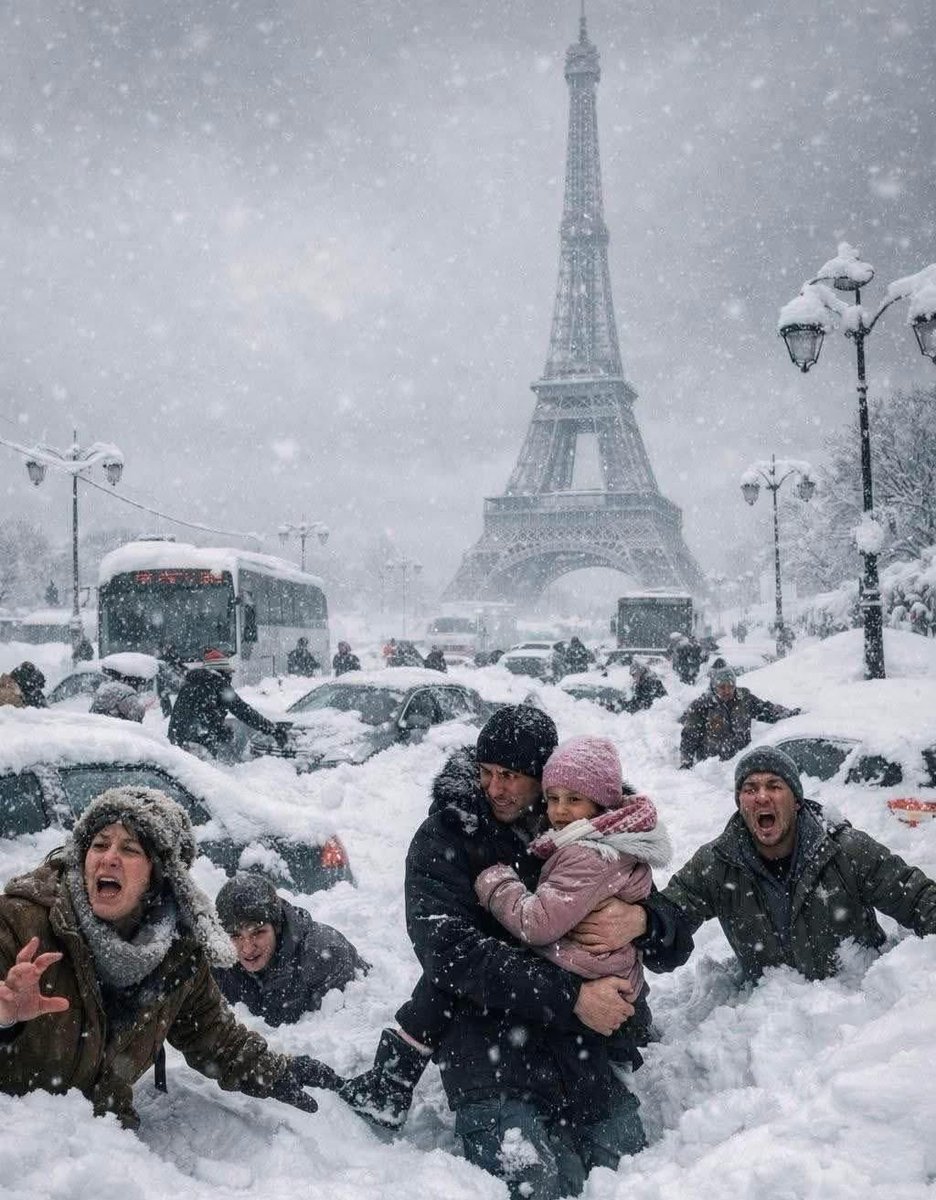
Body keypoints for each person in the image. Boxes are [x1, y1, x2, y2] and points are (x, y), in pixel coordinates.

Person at [345, 707, 684, 1198]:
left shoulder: (584, 827)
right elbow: (451, 954)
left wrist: (646, 921)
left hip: (580, 1052)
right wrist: (572, 997)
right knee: (535, 1184)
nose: (495, 789)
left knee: (630, 1173)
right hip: (489, 1047)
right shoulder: (447, 837)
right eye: (486, 773)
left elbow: (671, 939)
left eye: (510, 776)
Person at [0, 786, 342, 1128]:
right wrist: (5, 1021)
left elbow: (211, 1034)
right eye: (99, 845)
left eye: (130, 849)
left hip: (104, 1150)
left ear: (160, 875)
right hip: (23, 1151)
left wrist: (277, 1071)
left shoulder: (176, 954)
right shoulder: (19, 923)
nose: (108, 858)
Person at [578, 747, 936, 985]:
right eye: (749, 788)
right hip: (774, 1038)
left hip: (856, 1025)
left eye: (774, 786)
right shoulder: (719, 863)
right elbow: (673, 914)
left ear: (796, 801)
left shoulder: (845, 850)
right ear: (740, 803)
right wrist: (644, 921)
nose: (761, 796)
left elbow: (918, 899)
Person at [473, 737, 671, 1069]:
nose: (560, 810)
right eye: (552, 799)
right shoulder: (612, 839)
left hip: (596, 981)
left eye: (574, 799)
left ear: (600, 805)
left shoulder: (588, 854)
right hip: (615, 977)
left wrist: (497, 885)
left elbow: (536, 924)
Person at [213, 872, 370, 1026]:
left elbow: (343, 1034)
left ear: (277, 927)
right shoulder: (219, 963)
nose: (247, 948)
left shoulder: (324, 956)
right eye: (235, 936)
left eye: (258, 933)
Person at [167, 647, 291, 762]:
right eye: (228, 673)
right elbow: (244, 711)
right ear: (221, 671)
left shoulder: (191, 684)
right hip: (199, 747)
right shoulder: (217, 684)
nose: (230, 676)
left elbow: (194, 714)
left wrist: (217, 730)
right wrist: (272, 729)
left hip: (179, 744)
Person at [679, 663, 800, 767]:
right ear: (714, 687)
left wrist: (788, 714)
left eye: (731, 686)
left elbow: (766, 710)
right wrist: (686, 760)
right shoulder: (702, 706)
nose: (727, 691)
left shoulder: (745, 700)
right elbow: (690, 736)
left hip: (741, 760)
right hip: (713, 768)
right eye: (722, 687)